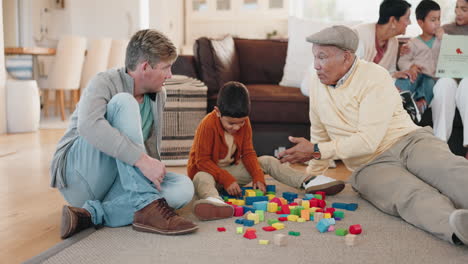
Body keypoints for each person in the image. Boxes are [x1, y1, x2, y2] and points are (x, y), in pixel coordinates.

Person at [279, 25, 468, 246]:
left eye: (322, 57)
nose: (316, 65)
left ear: (346, 58)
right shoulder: (316, 82)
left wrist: (316, 150)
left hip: (408, 141)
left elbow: (368, 139)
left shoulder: (374, 76)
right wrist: (313, 179)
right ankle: (455, 225)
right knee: (407, 195)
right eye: (314, 57)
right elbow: (319, 131)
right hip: (369, 165)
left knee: (447, 169)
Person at [50, 29, 198, 239]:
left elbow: (146, 145)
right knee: (123, 102)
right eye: (166, 67)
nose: (170, 75)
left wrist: (151, 168)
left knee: (183, 188)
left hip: (118, 183)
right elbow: (88, 126)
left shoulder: (158, 95)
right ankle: (147, 205)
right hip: (79, 177)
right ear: (145, 67)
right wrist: (142, 160)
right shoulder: (104, 81)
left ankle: (90, 214)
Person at [187, 81, 344, 221]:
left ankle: (308, 181)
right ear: (218, 112)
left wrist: (257, 176)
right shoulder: (207, 124)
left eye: (241, 123)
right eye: (231, 123)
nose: (236, 127)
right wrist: (226, 179)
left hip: (232, 173)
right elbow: (202, 161)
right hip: (209, 174)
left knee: (267, 160)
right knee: (202, 177)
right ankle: (214, 201)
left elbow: (248, 153)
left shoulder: (244, 122)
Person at [354, 0, 423, 122]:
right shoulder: (359, 35)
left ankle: (405, 109)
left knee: (406, 81)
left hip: (377, 89)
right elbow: (353, 74)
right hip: (357, 88)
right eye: (406, 18)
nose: (410, 22)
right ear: (393, 21)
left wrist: (396, 74)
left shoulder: (393, 42)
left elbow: (387, 72)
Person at [431, 0, 468, 160]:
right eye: (457, 8)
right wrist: (441, 40)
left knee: (467, 84)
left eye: (464, 9)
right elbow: (432, 56)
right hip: (449, 75)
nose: (458, 12)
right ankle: (440, 145)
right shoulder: (445, 29)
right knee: (443, 84)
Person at [395, 0, 443, 117]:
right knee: (406, 78)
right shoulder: (413, 43)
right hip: (417, 74)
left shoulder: (441, 41)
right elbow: (403, 61)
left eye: (438, 19)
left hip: (432, 78)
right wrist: (411, 67)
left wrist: (443, 39)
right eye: (433, 20)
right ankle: (400, 99)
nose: (437, 23)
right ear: (420, 23)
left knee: (429, 85)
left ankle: (419, 106)